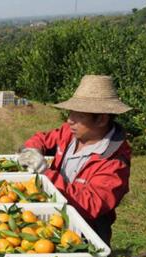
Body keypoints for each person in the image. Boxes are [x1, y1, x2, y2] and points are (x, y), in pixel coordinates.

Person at [18, 75, 132, 245]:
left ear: (101, 119)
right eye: (70, 113)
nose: (69, 120)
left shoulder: (114, 162)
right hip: (54, 220)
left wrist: (47, 174)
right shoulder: (70, 133)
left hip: (85, 233)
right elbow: (43, 139)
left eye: (79, 116)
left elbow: (90, 204)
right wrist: (32, 150)